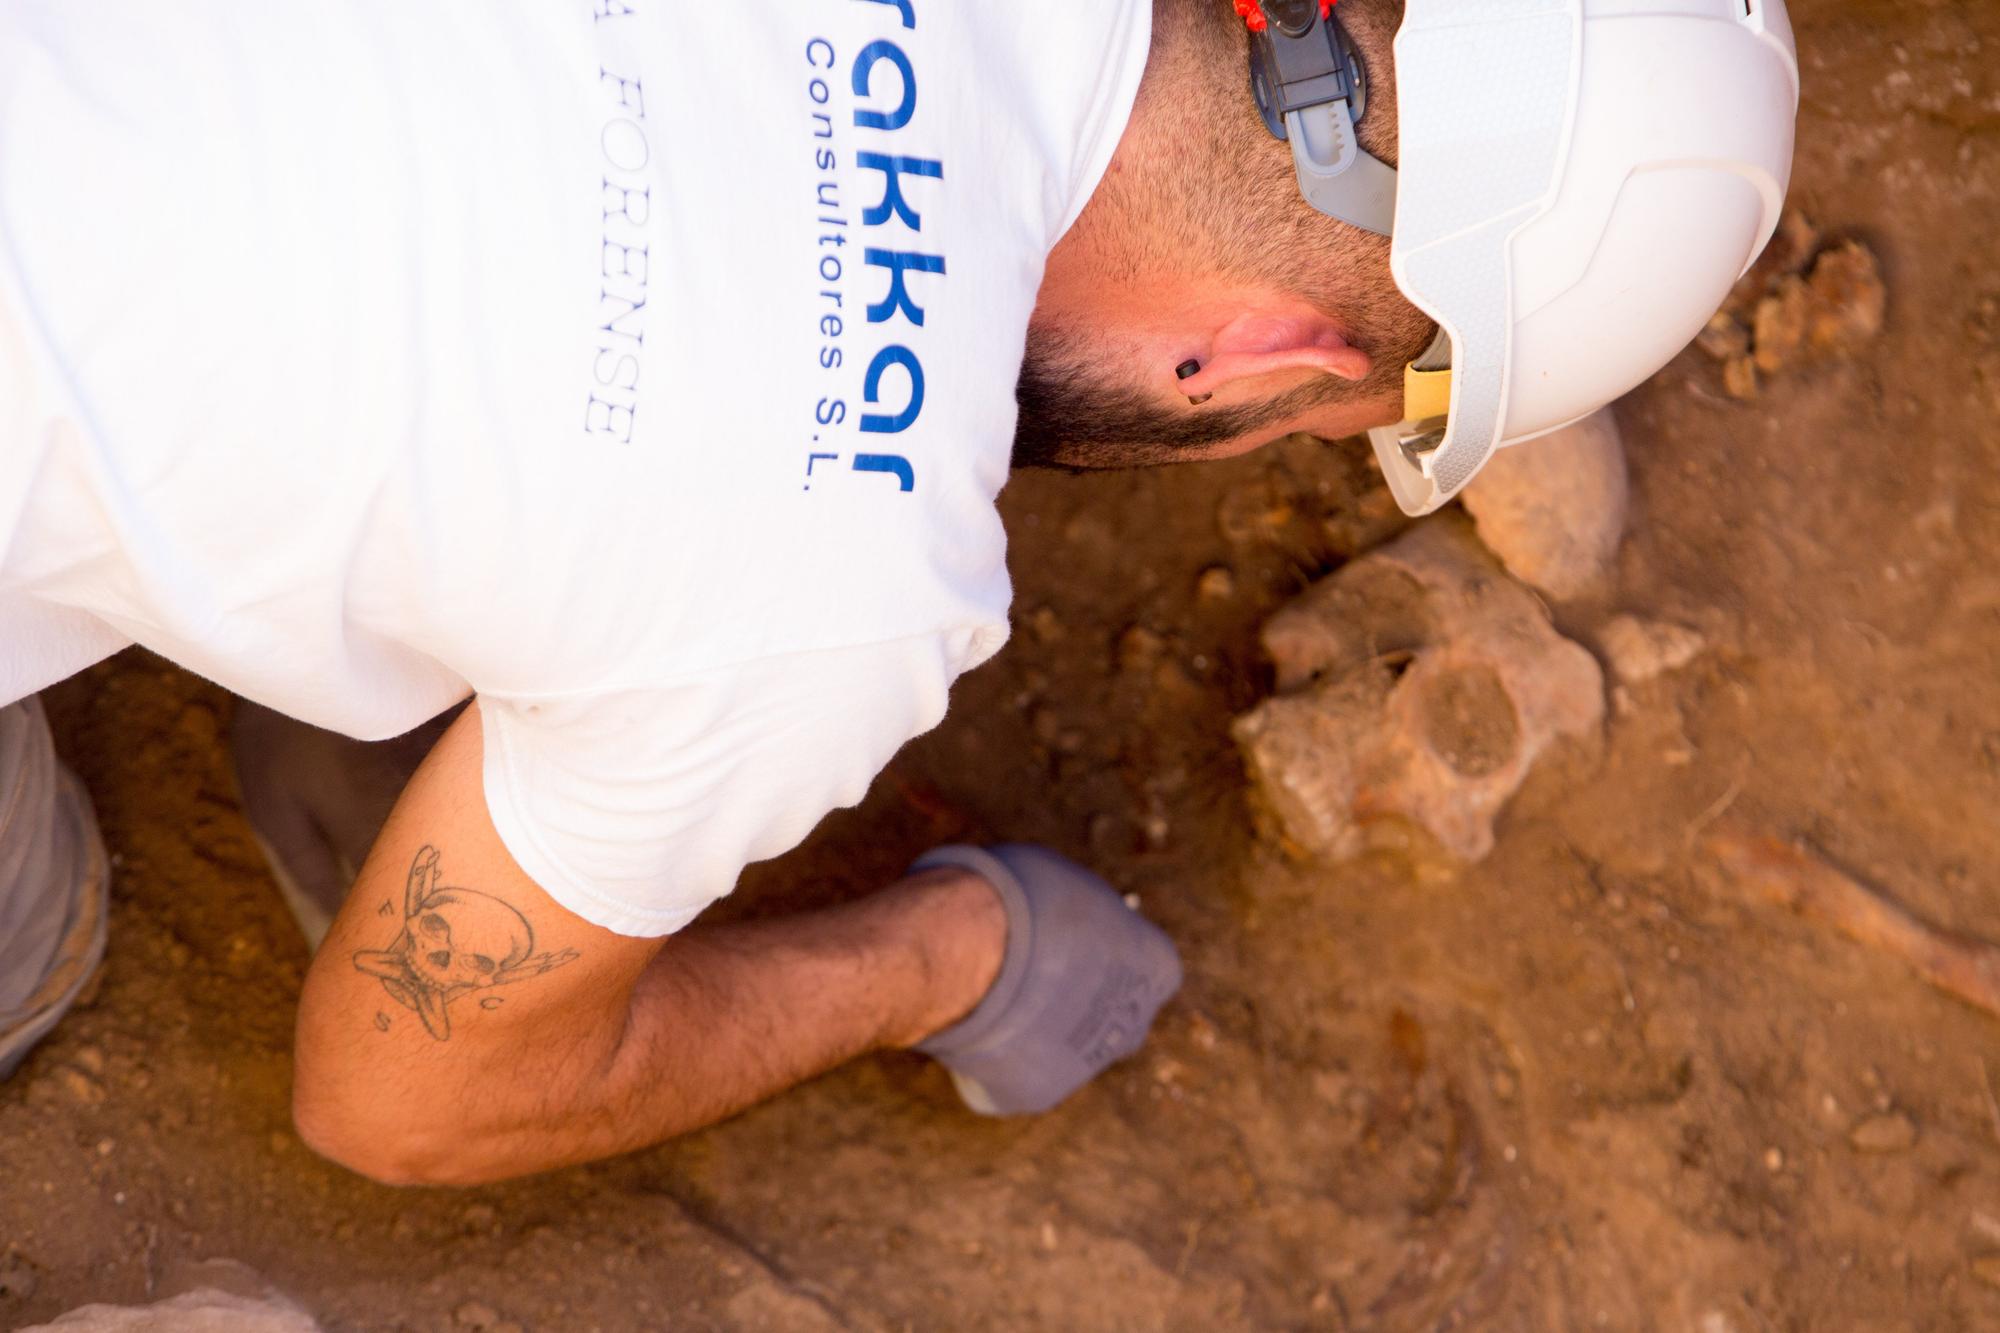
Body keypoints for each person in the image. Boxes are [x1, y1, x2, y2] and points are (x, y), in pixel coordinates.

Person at [0, 0, 1797, 1183]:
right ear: (1271, 357)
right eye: (1348, 417)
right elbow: (391, 1097)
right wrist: (954, 957)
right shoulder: (842, 567)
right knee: (28, 906)